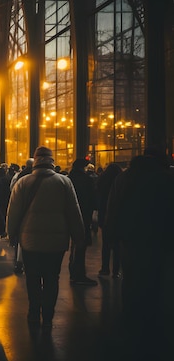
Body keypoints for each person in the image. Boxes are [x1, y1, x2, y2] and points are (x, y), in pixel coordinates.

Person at [105, 148, 174, 360]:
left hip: (129, 237)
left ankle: (131, 317)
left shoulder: (124, 177)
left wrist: (111, 235)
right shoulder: (165, 178)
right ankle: (152, 319)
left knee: (131, 277)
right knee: (155, 277)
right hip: (158, 238)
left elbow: (113, 207)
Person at [6, 146, 84, 330]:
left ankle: (34, 312)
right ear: (51, 161)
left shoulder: (23, 183)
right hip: (56, 242)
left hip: (29, 240)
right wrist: (79, 235)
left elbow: (13, 212)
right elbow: (74, 211)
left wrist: (11, 234)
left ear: (35, 160)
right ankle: (48, 314)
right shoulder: (64, 182)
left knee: (32, 278)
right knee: (52, 278)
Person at [67, 158, 98, 286]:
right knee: (80, 245)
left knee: (74, 245)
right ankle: (79, 273)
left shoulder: (68, 179)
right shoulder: (86, 180)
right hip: (83, 216)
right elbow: (91, 199)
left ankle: (73, 271)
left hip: (69, 215)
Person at [95, 162, 123, 278]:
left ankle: (105, 268)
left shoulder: (102, 182)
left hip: (104, 217)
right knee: (117, 246)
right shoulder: (120, 183)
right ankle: (116, 270)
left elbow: (98, 199)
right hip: (118, 217)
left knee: (105, 244)